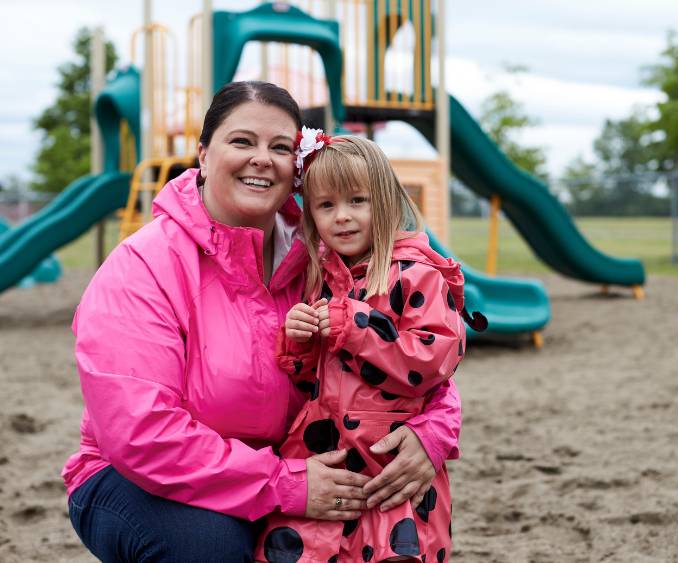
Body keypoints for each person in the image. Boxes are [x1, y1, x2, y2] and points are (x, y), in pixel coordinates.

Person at [62, 81, 463, 562]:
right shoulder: (143, 268)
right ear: (204, 154)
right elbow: (142, 435)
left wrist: (433, 432)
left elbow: (412, 349)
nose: (261, 159)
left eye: (279, 147)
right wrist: (283, 483)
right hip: (142, 477)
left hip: (297, 464)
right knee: (208, 547)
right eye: (242, 141)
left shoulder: (327, 260)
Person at [256, 133, 485, 563]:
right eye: (326, 205)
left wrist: (356, 326)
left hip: (390, 457)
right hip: (324, 452)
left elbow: (434, 362)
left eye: (356, 201)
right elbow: (310, 380)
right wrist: (298, 342)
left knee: (391, 552)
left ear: (383, 200)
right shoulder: (316, 275)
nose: (341, 217)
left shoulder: (416, 272)